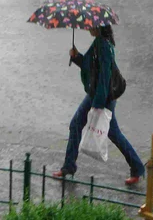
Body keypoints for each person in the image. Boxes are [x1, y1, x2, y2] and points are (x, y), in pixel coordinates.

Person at [53, 25, 145, 185]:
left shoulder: (103, 46)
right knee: (78, 125)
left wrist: (98, 105)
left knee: (111, 132)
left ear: (98, 28)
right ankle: (68, 166)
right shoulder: (99, 43)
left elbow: (104, 76)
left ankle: (137, 168)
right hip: (97, 94)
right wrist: (76, 57)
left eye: (91, 26)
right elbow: (92, 68)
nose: (88, 28)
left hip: (101, 97)